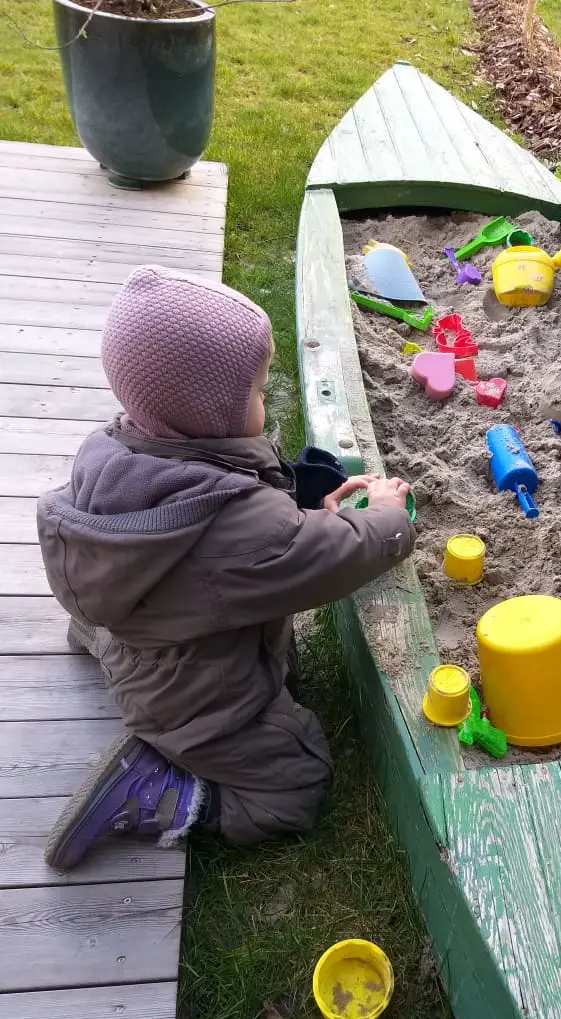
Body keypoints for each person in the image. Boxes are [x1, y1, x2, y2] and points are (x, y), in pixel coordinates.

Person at [37, 264, 415, 870]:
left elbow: (251, 540)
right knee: (297, 781)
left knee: (174, 626)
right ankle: (166, 791)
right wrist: (389, 519)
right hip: (197, 699)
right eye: (259, 391)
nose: (264, 401)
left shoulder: (118, 450)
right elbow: (324, 557)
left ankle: (101, 636)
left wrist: (310, 508)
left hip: (146, 637)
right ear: (208, 410)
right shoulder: (233, 527)